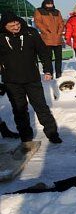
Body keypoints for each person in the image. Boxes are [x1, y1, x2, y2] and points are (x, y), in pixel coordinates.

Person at [0, 12, 62, 144]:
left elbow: (43, 52)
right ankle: (26, 137)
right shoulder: (0, 37)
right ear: (4, 26)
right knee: (19, 110)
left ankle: (52, 133)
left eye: (17, 24)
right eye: (12, 26)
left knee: (41, 107)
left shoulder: (31, 33)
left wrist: (48, 70)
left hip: (32, 78)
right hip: (11, 81)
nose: (16, 27)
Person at [33, 0, 65, 78]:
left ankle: (58, 73)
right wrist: (46, 31)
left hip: (57, 38)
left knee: (59, 58)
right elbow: (38, 22)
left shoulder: (57, 12)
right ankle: (49, 72)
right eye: (48, 3)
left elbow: (61, 23)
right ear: (44, 3)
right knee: (47, 57)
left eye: (51, 3)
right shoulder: (39, 11)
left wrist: (59, 32)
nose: (50, 5)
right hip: (46, 39)